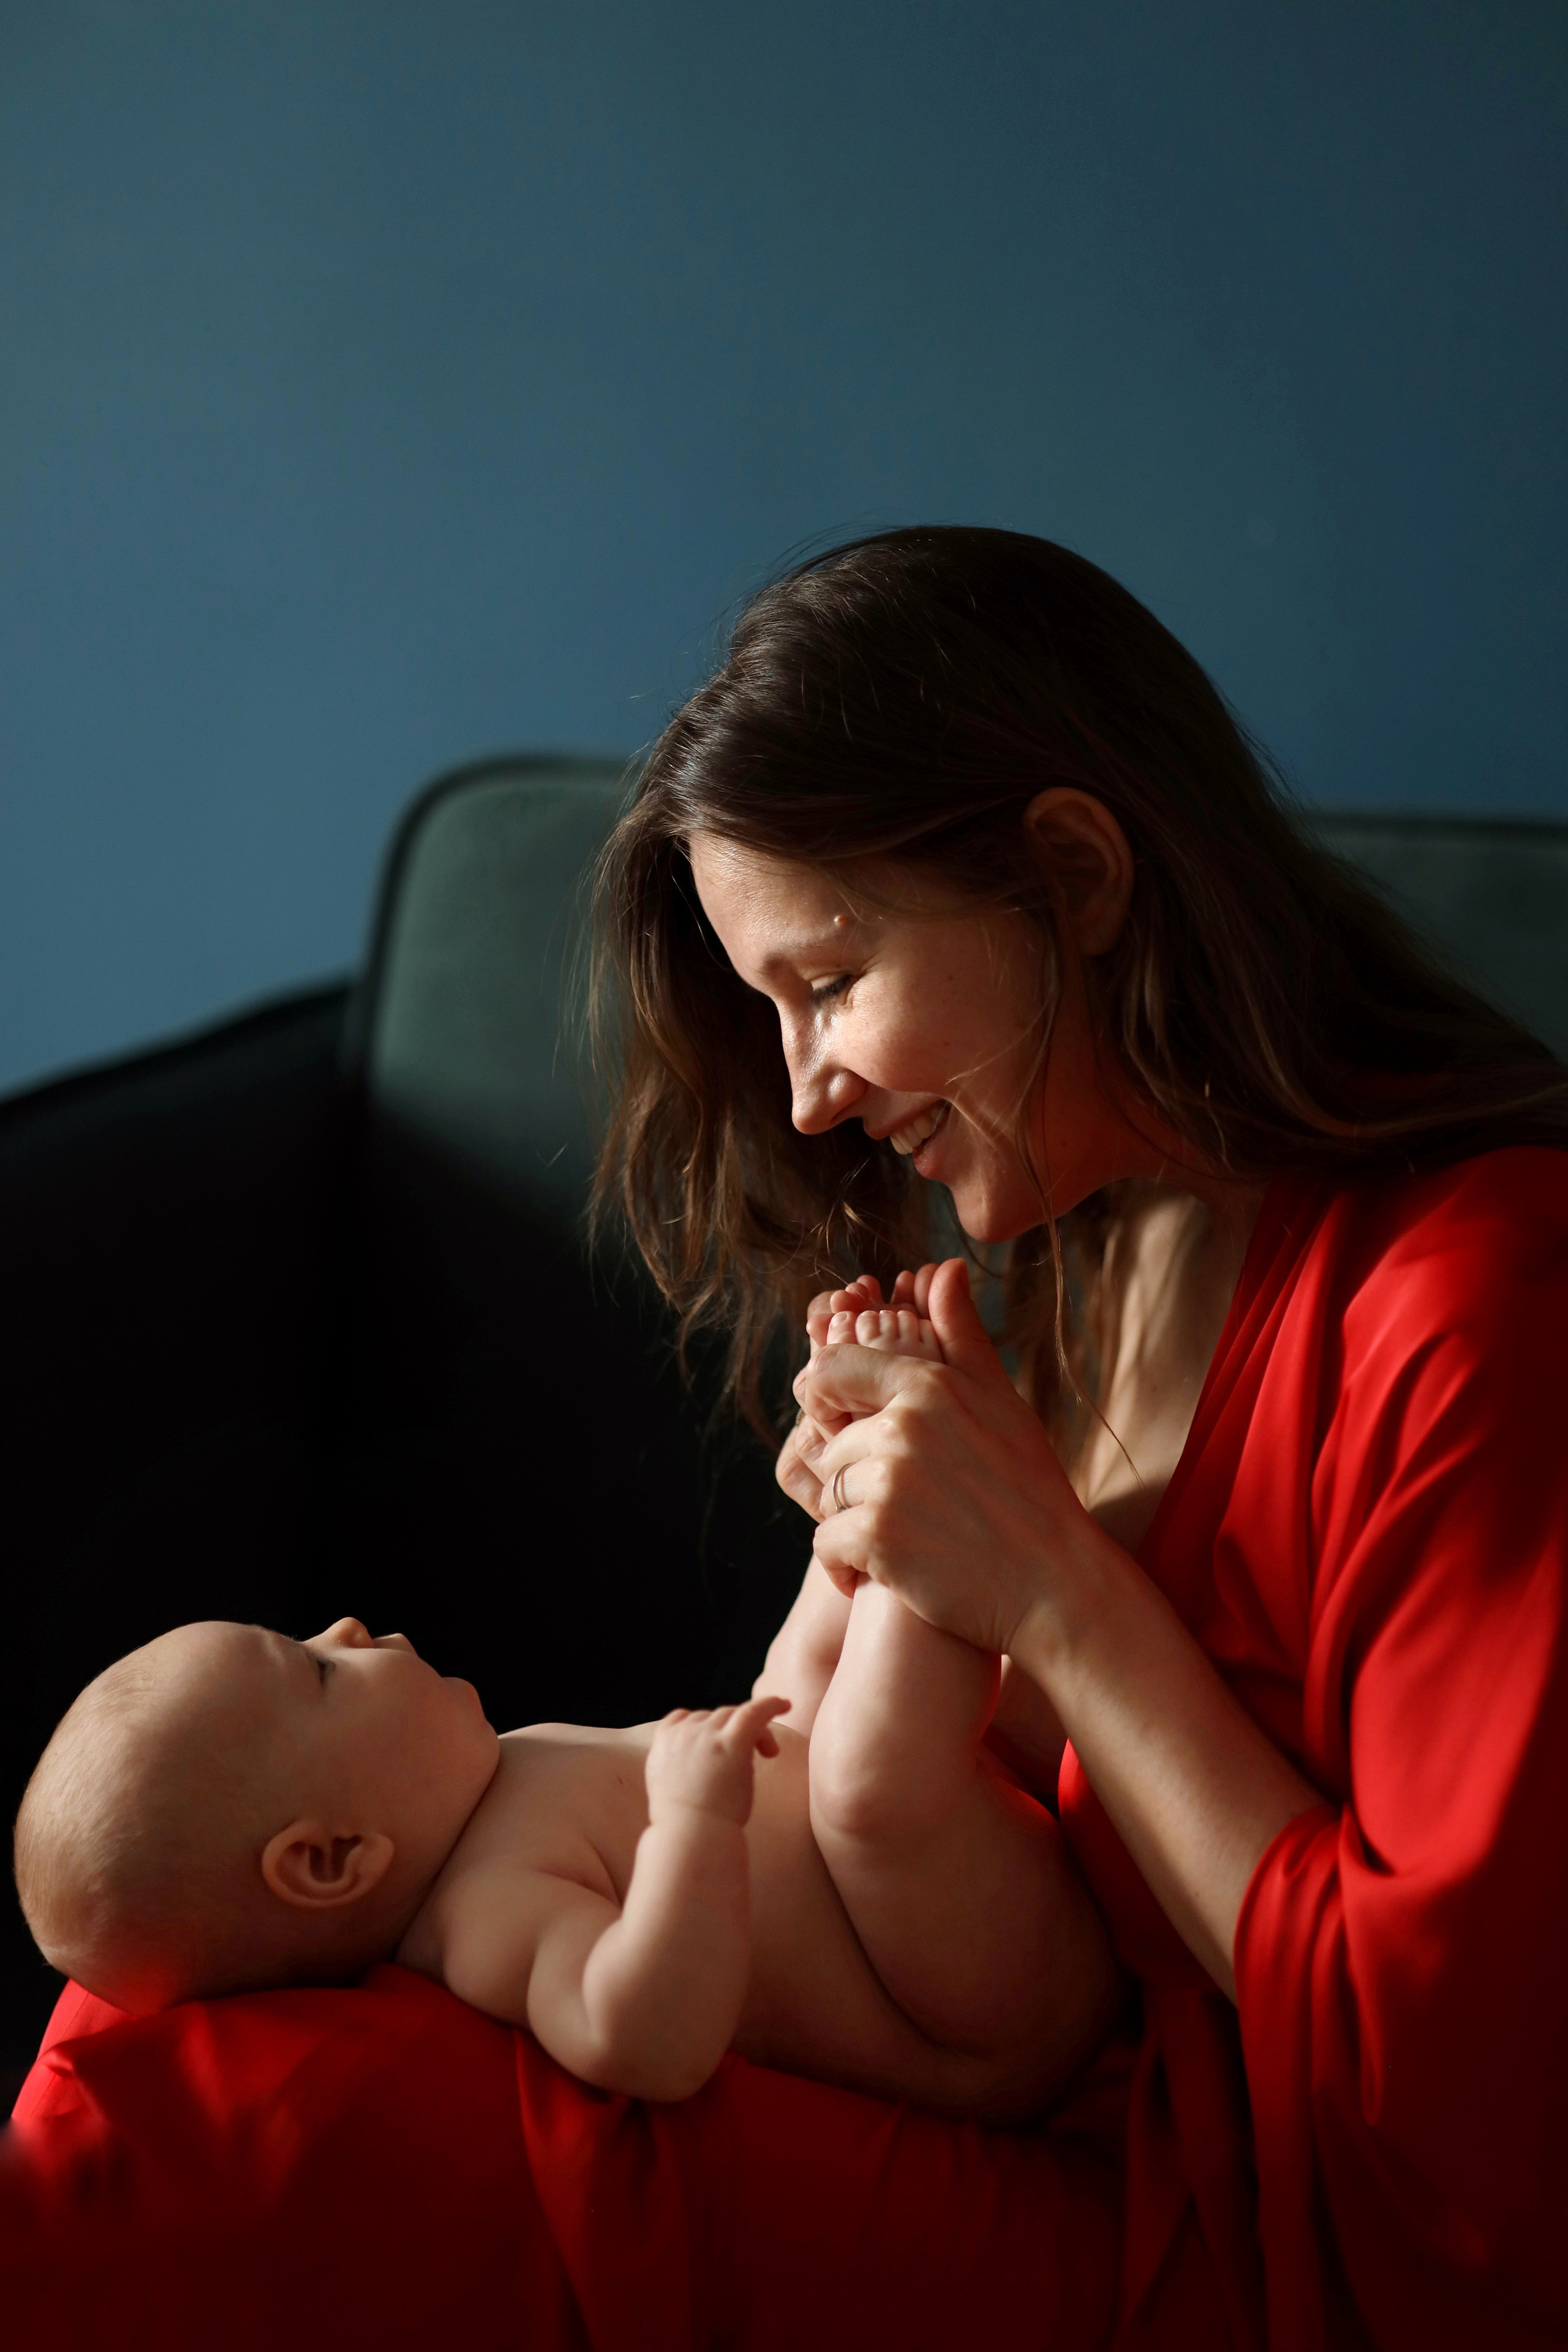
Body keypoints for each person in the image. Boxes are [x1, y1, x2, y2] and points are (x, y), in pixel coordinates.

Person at [590, 524, 1568, 2350]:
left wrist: (1044, 1582)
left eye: (829, 980)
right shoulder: (1068, 1266)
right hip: (1051, 2138)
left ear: (1075, 872)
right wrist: (880, 1580)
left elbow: (1466, 2117)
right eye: (768, 1013)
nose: (806, 1092)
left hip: (1267, 2242)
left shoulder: (1476, 1313)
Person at [13, 1309, 1118, 2123]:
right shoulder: (484, 1922)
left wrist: (831, 1551)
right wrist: (690, 1823)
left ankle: (875, 1484)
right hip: (979, 2013)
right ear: (334, 1857)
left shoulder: (491, 1786)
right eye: (313, 1674)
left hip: (945, 1900)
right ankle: (938, 1484)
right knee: (863, 1788)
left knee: (799, 1683)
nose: (344, 1628)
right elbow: (644, 2038)